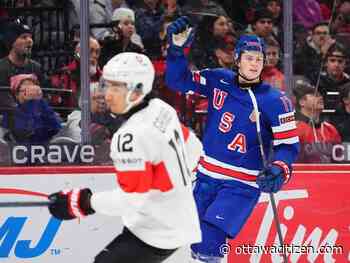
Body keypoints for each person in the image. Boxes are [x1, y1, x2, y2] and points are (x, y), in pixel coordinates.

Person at [165, 17, 300, 262]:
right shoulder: (219, 79)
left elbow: (288, 146)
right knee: (198, 243)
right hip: (206, 176)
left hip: (242, 184)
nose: (254, 63)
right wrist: (176, 50)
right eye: (249, 58)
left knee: (210, 239)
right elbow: (176, 80)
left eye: (259, 59)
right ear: (237, 59)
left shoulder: (276, 102)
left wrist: (280, 169)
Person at [47, 52, 203, 263]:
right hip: (178, 220)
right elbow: (193, 149)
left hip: (156, 231)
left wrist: (82, 202)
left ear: (137, 90)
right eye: (106, 85)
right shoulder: (161, 108)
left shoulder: (129, 136)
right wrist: (166, 184)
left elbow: (132, 200)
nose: (107, 95)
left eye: (116, 87)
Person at [2, 74, 61, 144]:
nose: (31, 93)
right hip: (20, 152)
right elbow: (26, 135)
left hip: (44, 151)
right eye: (25, 90)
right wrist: (30, 104)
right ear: (16, 95)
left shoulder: (43, 108)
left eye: (34, 89)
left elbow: (55, 128)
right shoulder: (11, 114)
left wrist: (41, 102)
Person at [293, 79, 341, 163]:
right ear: (302, 102)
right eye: (315, 95)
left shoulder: (330, 129)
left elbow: (339, 159)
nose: (321, 97)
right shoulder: (295, 129)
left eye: (320, 95)